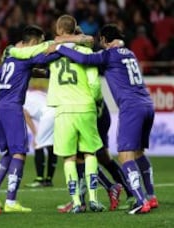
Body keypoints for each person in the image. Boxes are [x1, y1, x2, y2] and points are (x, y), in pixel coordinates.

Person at [53, 24, 158, 214]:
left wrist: (59, 47)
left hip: (131, 107)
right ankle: (151, 196)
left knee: (125, 154)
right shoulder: (129, 53)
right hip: (147, 104)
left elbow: (84, 58)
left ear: (103, 40)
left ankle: (141, 201)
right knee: (139, 153)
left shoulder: (111, 54)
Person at [8, 15, 105, 214]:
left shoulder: (52, 47)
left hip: (61, 110)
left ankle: (77, 202)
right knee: (89, 154)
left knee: (68, 158)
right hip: (85, 106)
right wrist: (93, 100)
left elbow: (28, 53)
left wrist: (11, 50)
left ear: (59, 29)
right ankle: (94, 199)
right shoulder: (86, 50)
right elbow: (95, 84)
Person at [0, 25, 62, 213]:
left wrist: (5, 95)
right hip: (13, 108)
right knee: (20, 152)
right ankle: (11, 202)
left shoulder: (9, 59)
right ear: (33, 42)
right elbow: (47, 56)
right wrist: (62, 48)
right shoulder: (27, 58)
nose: (40, 44)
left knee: (8, 152)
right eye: (40, 41)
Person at [23, 88, 58, 188]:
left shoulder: (19, 98)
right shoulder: (33, 93)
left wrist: (35, 135)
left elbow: (26, 116)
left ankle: (39, 179)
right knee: (51, 146)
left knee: (38, 144)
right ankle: (49, 179)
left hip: (48, 116)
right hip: (57, 113)